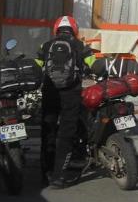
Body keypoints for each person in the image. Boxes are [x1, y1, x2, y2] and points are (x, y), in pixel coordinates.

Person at [36, 16, 95, 189]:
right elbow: (95, 63)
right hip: (71, 94)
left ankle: (44, 173)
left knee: (48, 130)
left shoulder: (45, 46)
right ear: (74, 29)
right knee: (66, 133)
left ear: (56, 29)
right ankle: (58, 176)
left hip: (50, 92)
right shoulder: (80, 46)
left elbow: (36, 66)